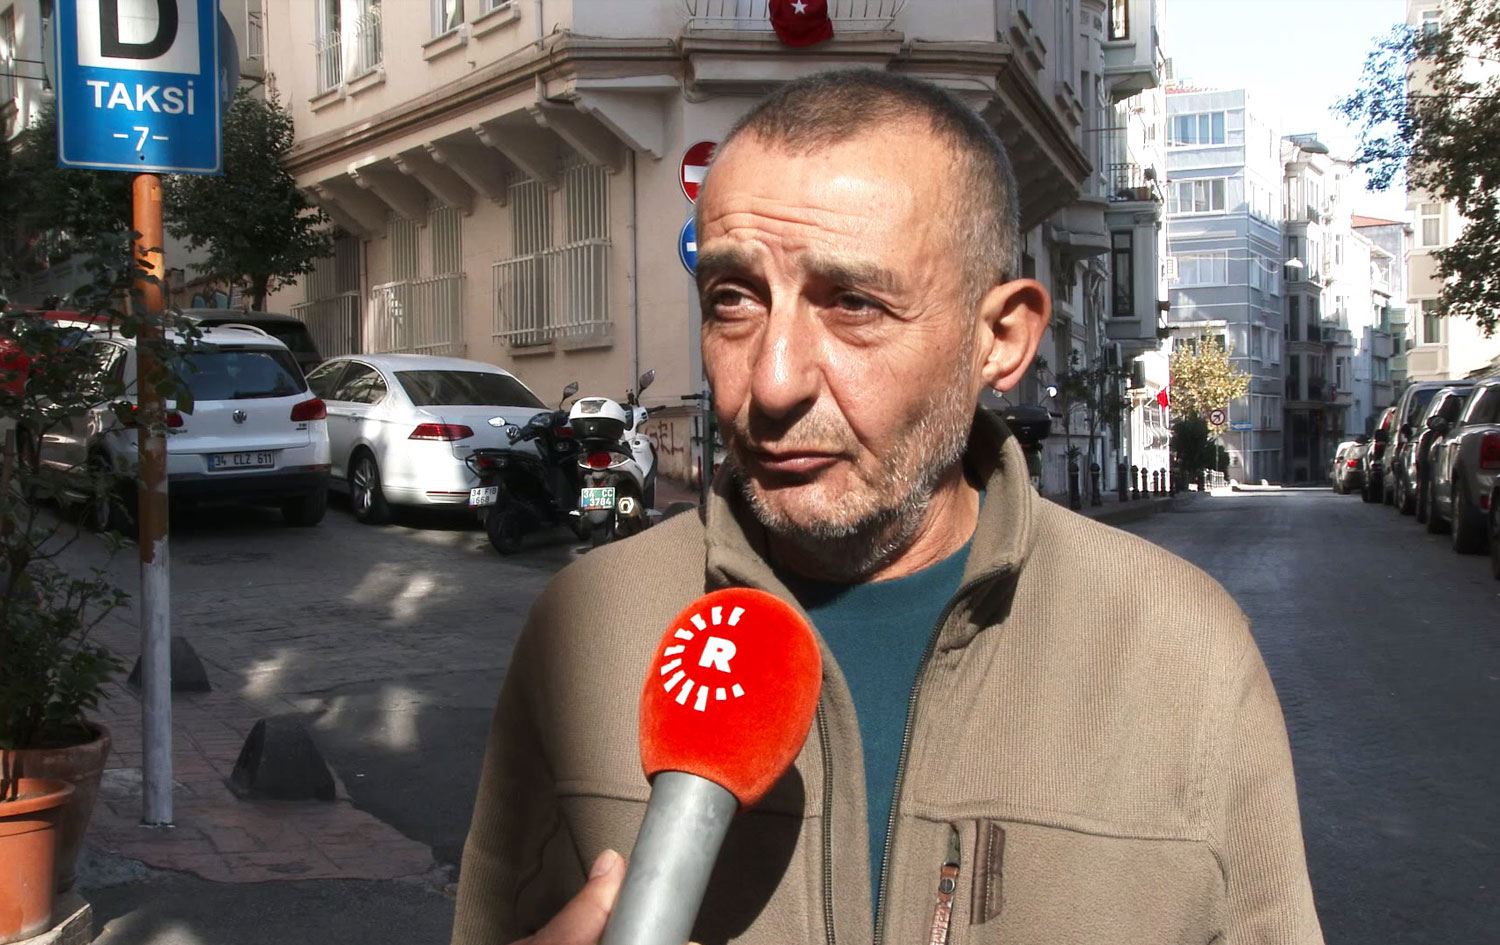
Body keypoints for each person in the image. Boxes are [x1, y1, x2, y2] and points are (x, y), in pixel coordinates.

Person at [453, 70, 1324, 945]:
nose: (773, 381)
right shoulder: (588, 626)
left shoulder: (1182, 649)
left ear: (999, 338)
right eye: (734, 300)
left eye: (854, 304)